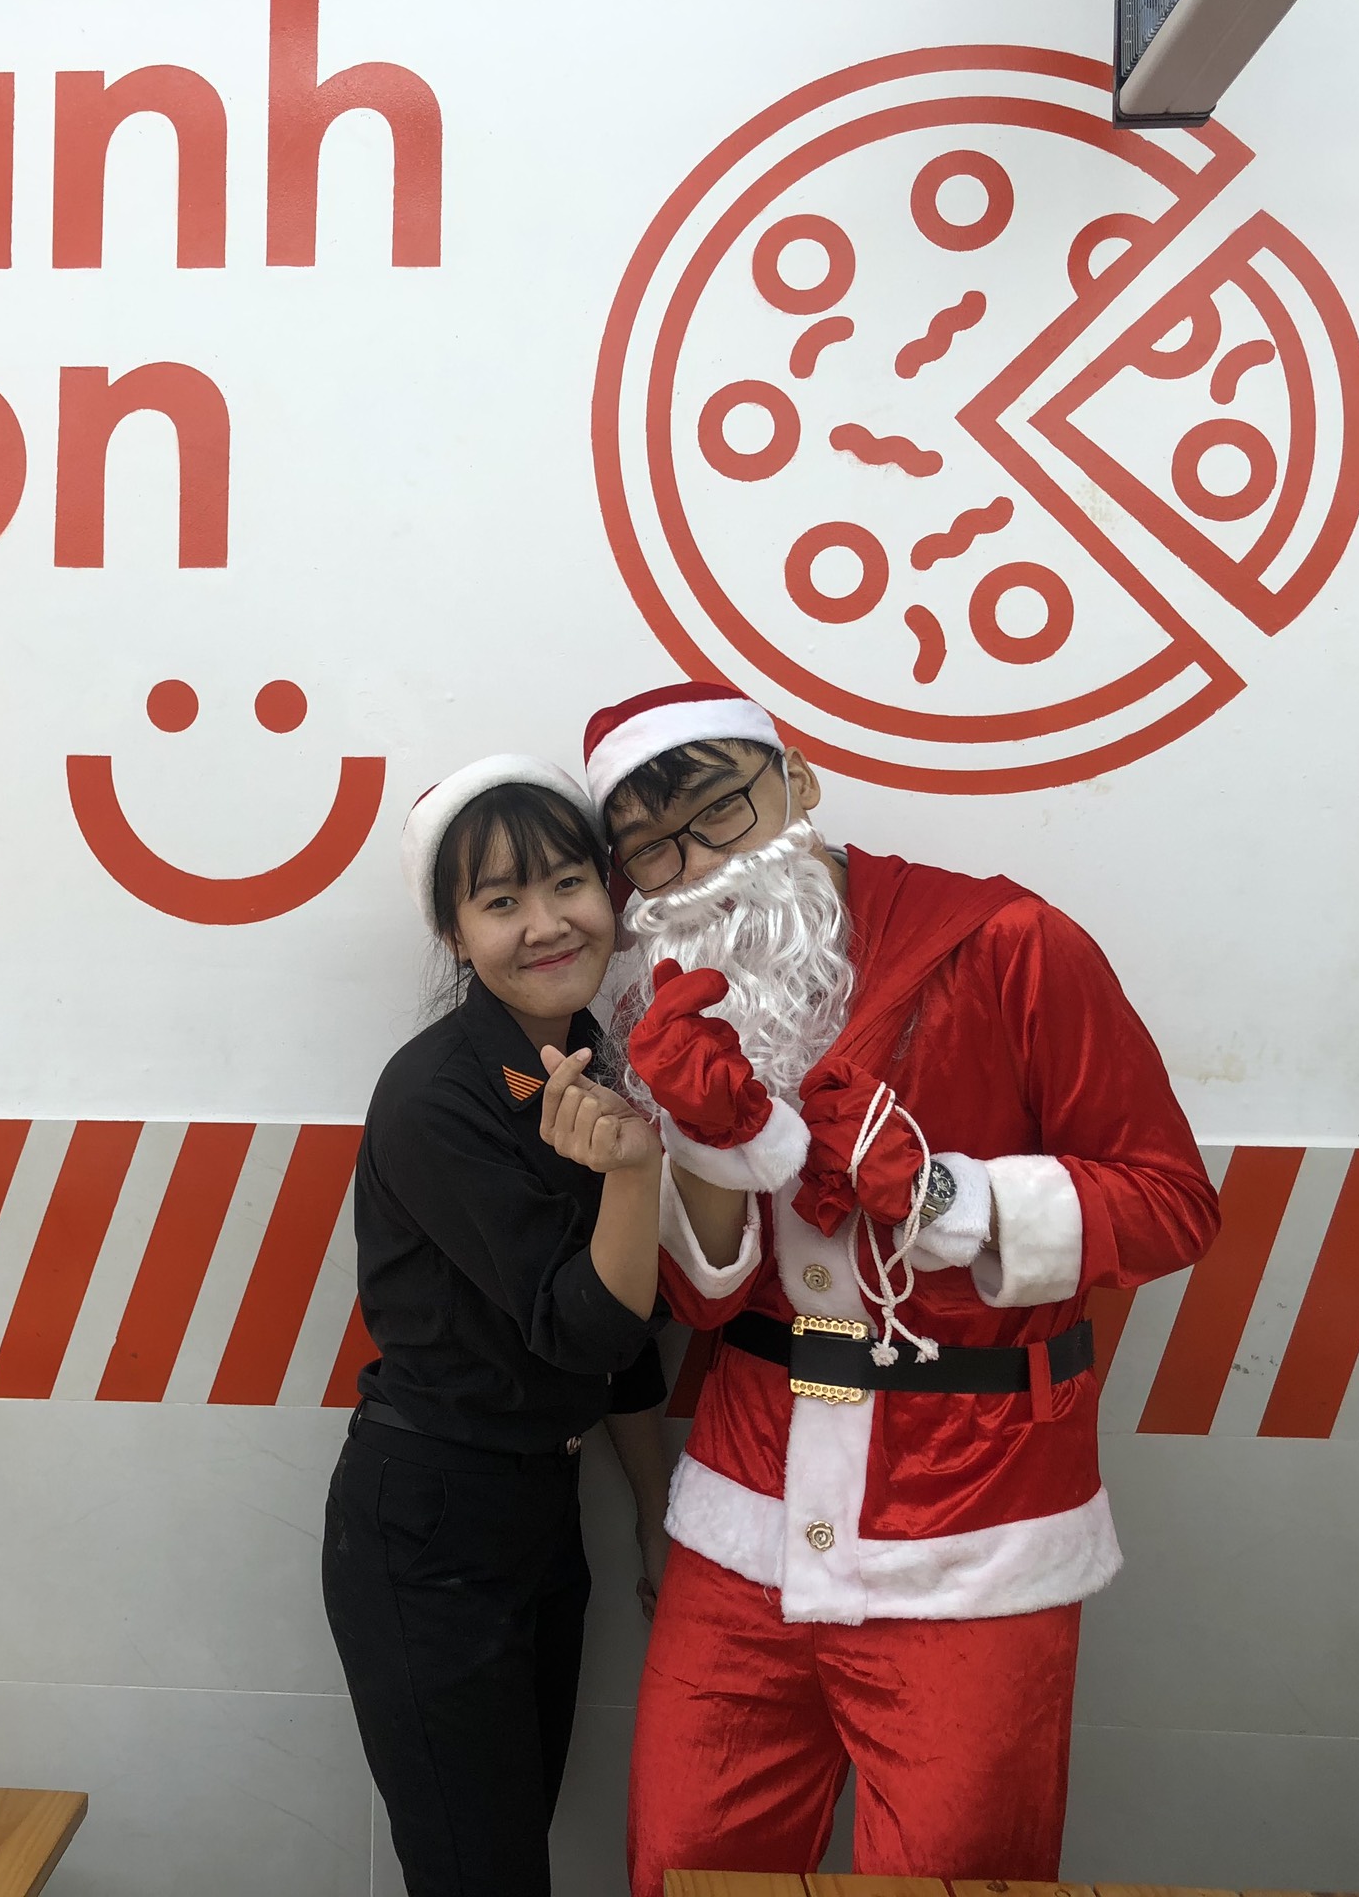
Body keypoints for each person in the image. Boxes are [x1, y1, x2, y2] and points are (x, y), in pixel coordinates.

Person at [574, 683, 1221, 1892]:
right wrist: (708, 1137)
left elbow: (1171, 1202)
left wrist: (941, 1197)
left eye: (719, 812)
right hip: (747, 1519)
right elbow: (704, 1300)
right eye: (651, 848)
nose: (696, 864)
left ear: (798, 782)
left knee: (954, 1878)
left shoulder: (1010, 944)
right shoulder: (661, 1002)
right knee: (681, 1867)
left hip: (974, 1529)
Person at [323, 753, 675, 1897]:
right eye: (500, 900)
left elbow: (630, 1347)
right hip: (429, 1523)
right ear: (454, 934)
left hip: (541, 1512)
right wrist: (634, 1175)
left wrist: (654, 1515)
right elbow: (582, 1328)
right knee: (479, 1875)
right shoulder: (437, 1096)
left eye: (566, 883)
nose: (545, 924)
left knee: (512, 1850)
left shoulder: (589, 1059)